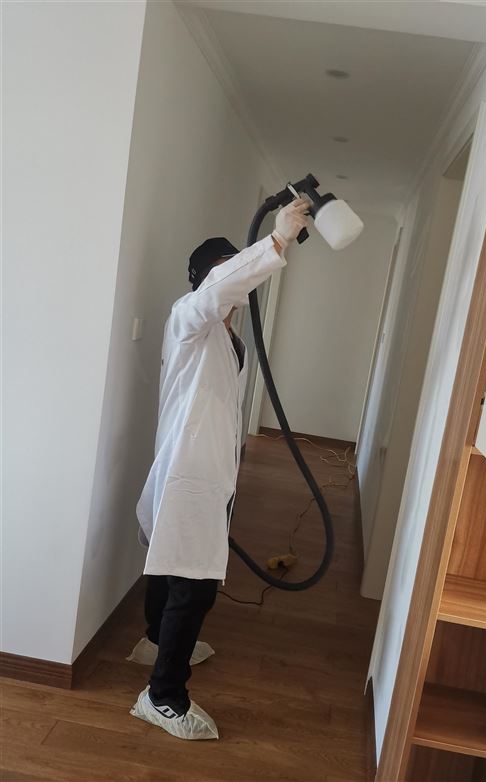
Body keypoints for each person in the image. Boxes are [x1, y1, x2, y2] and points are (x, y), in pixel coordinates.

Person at [128, 198, 310, 740]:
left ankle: (154, 642)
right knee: (194, 583)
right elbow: (213, 293)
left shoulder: (231, 343)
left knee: (171, 562)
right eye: (227, 270)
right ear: (205, 278)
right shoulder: (187, 319)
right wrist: (276, 240)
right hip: (188, 470)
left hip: (209, 471)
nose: (236, 282)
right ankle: (162, 696)